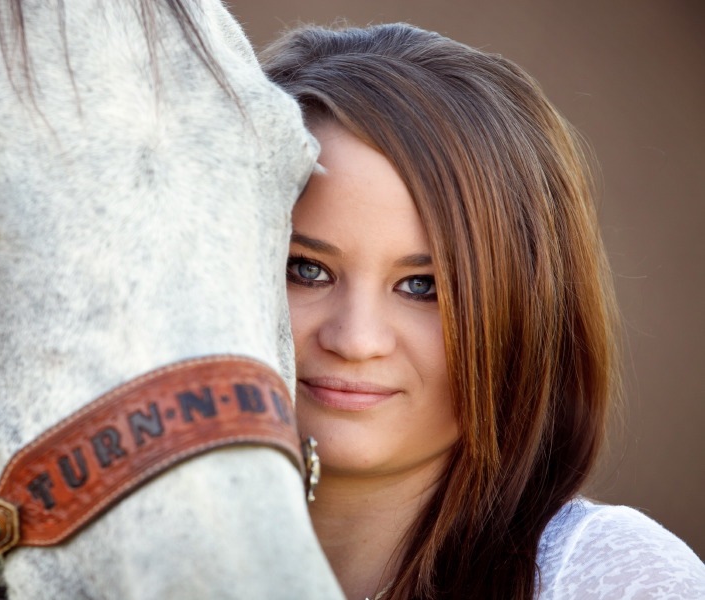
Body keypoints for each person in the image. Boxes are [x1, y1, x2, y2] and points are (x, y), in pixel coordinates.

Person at [261, 23, 705, 600]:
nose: (355, 339)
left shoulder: (611, 581)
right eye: (307, 270)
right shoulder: (123, 566)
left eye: (423, 286)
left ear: (524, 307)